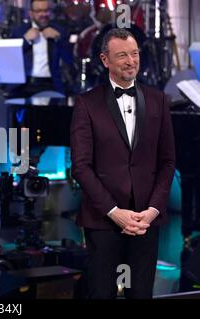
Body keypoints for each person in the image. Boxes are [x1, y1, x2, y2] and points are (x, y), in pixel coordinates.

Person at [70, 28, 175, 299]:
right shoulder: (86, 103)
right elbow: (81, 167)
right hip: (103, 220)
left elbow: (167, 161)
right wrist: (114, 211)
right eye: (122, 55)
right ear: (105, 60)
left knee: (140, 294)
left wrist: (152, 210)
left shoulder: (158, 100)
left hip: (145, 221)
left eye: (135, 53)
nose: (131, 61)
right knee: (102, 294)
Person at [9, 0, 72, 97]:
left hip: (51, 84)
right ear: (31, 13)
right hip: (24, 85)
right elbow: (10, 57)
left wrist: (57, 38)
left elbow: (69, 58)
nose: (43, 14)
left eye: (46, 10)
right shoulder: (19, 31)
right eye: (39, 11)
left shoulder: (59, 30)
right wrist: (26, 40)